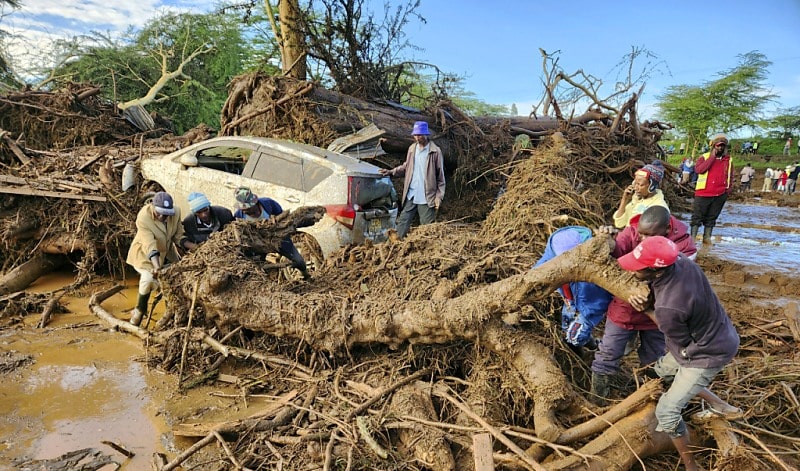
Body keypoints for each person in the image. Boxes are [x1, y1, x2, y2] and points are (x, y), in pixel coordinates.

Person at [619, 236, 741, 471]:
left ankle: (691, 465)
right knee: (662, 371)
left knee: (667, 411)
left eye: (639, 267)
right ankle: (721, 405)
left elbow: (678, 339)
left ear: (655, 269)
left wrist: (645, 309)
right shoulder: (682, 261)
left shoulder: (668, 308)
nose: (633, 270)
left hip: (705, 353)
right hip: (719, 331)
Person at [591, 206, 697, 404]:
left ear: (666, 230)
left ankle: (648, 401)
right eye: (641, 233)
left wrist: (650, 298)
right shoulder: (632, 232)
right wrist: (607, 240)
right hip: (625, 307)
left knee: (653, 359)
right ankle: (598, 402)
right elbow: (617, 252)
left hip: (659, 313)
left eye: (649, 235)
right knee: (607, 354)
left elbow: (681, 284)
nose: (641, 239)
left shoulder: (684, 246)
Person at [535, 226, 612, 354]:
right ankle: (587, 344)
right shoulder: (554, 250)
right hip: (570, 300)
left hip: (588, 307)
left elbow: (599, 300)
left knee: (575, 336)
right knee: (566, 324)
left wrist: (586, 315)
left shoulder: (591, 272)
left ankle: (593, 347)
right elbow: (538, 269)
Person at [126, 192, 197, 326]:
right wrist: (157, 267)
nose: (163, 217)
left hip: (166, 253)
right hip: (144, 255)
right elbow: (150, 245)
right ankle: (139, 311)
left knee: (177, 278)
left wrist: (195, 247)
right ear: (153, 207)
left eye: (166, 214)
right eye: (160, 213)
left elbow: (178, 236)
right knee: (148, 279)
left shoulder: (175, 212)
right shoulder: (143, 218)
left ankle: (172, 312)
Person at [379, 121, 445, 239]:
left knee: (427, 229)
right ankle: (395, 248)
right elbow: (406, 167)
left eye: (420, 135)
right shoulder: (412, 149)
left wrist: (438, 197)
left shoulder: (435, 152)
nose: (417, 138)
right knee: (402, 223)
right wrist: (391, 172)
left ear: (426, 135)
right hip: (412, 194)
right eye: (415, 135)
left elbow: (441, 179)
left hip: (427, 197)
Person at [232, 187, 310, 279]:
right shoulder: (239, 216)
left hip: (279, 239)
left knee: (299, 260)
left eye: (247, 208)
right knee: (256, 268)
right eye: (242, 209)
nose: (245, 211)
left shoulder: (268, 204)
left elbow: (283, 219)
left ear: (254, 203)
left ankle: (306, 275)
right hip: (258, 245)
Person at [690, 133, 734, 244]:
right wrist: (712, 157)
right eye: (718, 146)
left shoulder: (729, 160)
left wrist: (728, 189)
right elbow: (699, 170)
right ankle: (692, 239)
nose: (720, 148)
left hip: (720, 194)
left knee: (712, 218)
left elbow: (730, 175)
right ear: (713, 146)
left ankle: (707, 238)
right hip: (703, 193)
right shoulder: (704, 157)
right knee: (697, 217)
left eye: (722, 146)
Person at [613, 160, 669, 228]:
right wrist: (624, 200)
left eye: (640, 185)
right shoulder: (636, 199)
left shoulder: (659, 208)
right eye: (635, 183)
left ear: (652, 186)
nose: (635, 188)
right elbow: (619, 224)